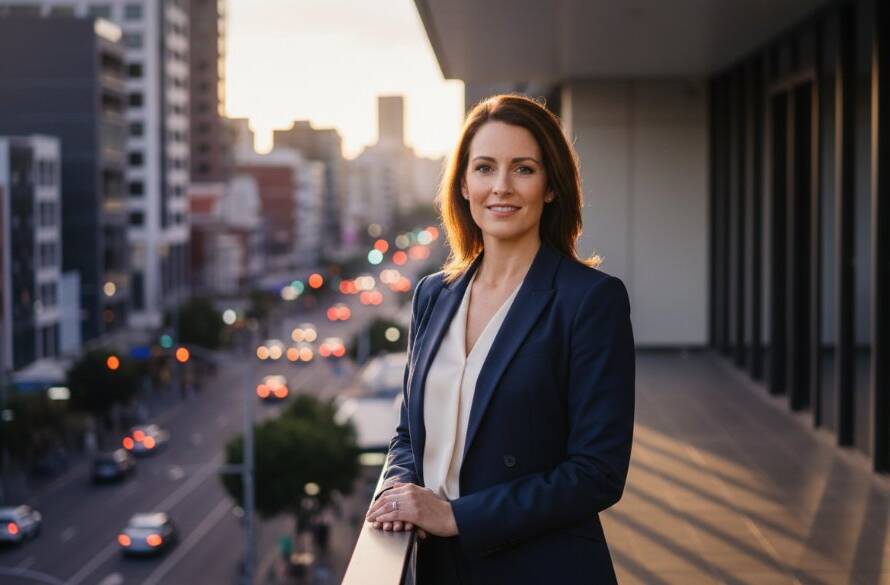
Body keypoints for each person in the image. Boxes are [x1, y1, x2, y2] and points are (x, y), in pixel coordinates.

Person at [365, 94, 635, 584]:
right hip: (437, 569)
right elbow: (409, 432)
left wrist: (456, 516)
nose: (501, 188)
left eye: (524, 169)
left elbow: (598, 472)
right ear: (464, 185)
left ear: (551, 185)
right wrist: (399, 491)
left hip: (541, 567)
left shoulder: (590, 300)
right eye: (485, 168)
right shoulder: (433, 295)